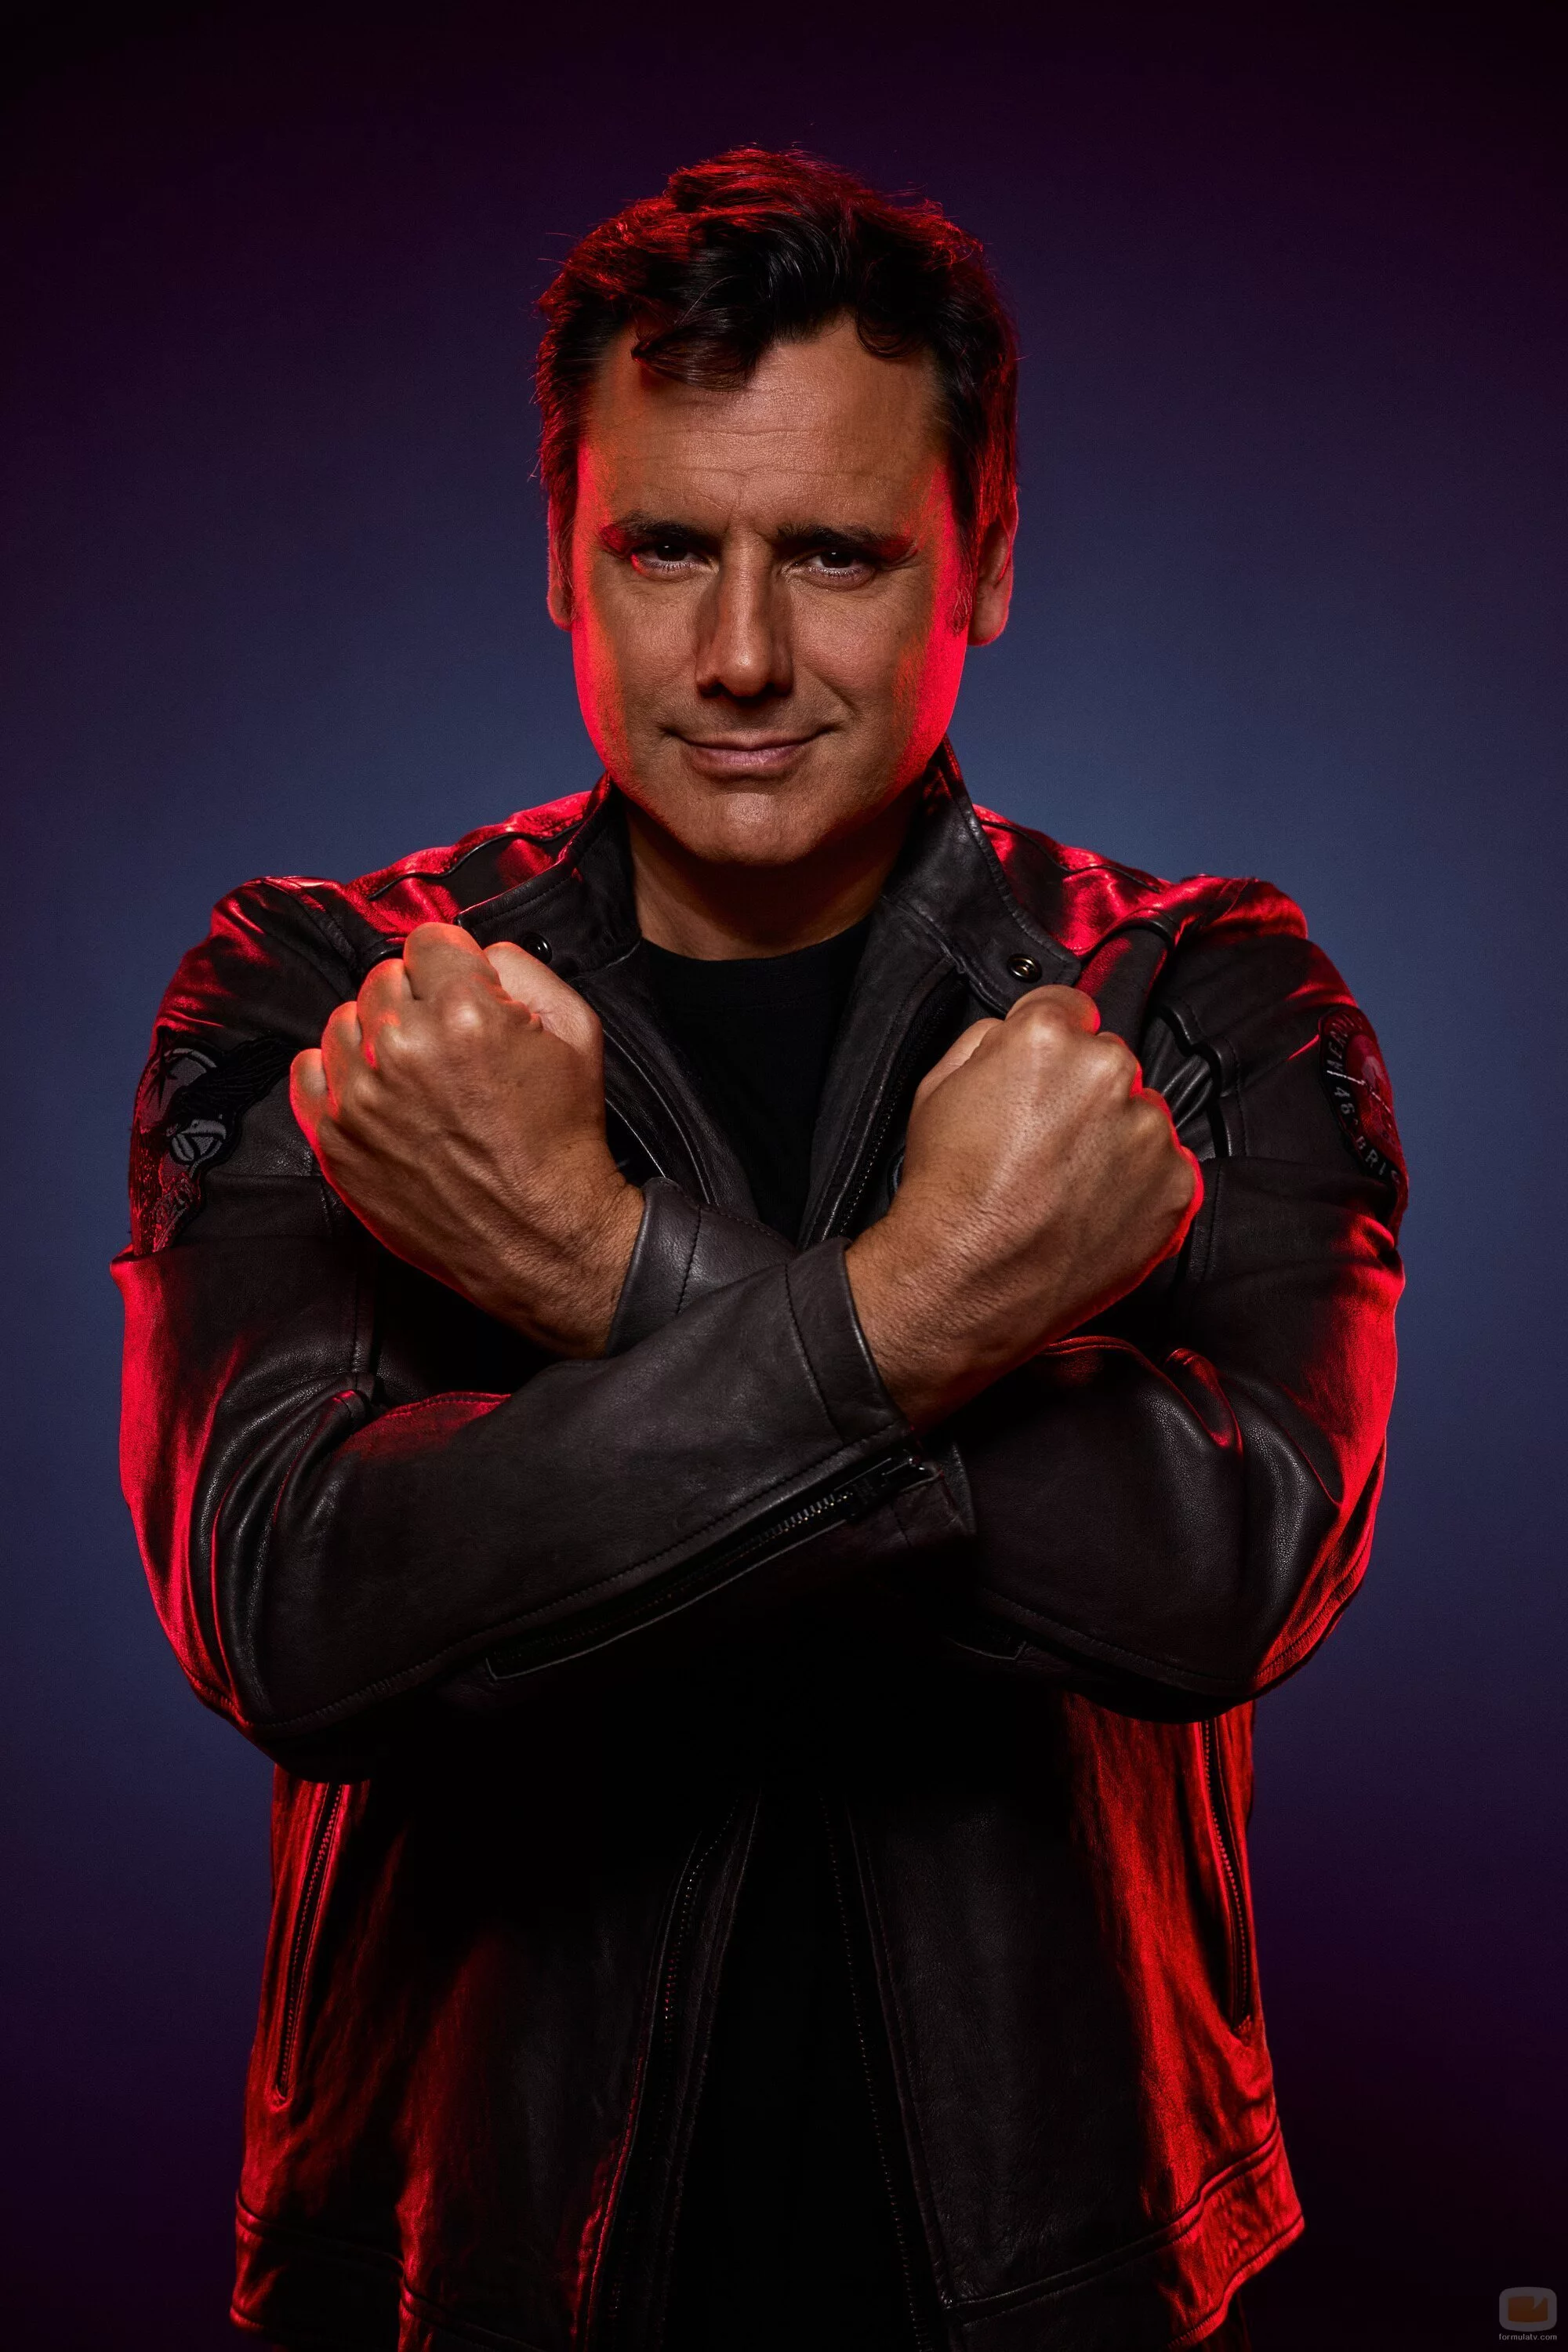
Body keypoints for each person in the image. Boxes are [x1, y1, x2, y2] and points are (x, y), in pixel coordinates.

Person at [116, 149, 1404, 2352]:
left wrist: (593, 1263)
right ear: (561, 552)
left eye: (834, 555)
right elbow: (289, 1611)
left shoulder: (1189, 1003)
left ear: (987, 558)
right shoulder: (341, 997)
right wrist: (924, 1316)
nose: (738, 656)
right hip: (466, 2267)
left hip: (1052, 2274)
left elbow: (1224, 1576)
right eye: (665, 551)